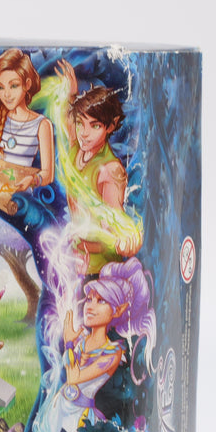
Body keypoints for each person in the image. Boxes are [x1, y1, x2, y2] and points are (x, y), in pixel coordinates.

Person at [37, 258, 153, 432]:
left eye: (100, 301)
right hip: (59, 407)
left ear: (118, 310)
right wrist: (79, 276)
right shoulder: (83, 338)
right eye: (89, 299)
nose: (90, 306)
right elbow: (68, 309)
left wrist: (69, 343)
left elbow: (74, 377)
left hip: (78, 417)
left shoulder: (112, 353)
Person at [54, 59, 140, 272]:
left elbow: (113, 230)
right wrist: (71, 95)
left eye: (95, 126)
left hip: (102, 271)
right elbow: (69, 119)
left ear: (110, 126)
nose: (84, 133)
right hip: (79, 265)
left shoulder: (109, 171)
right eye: (81, 123)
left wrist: (127, 241)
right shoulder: (77, 149)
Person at [0, 49, 54, 189]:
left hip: (21, 193)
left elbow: (48, 174)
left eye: (14, 86)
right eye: (0, 87)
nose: (6, 94)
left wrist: (32, 180)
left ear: (27, 84)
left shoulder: (42, 124)